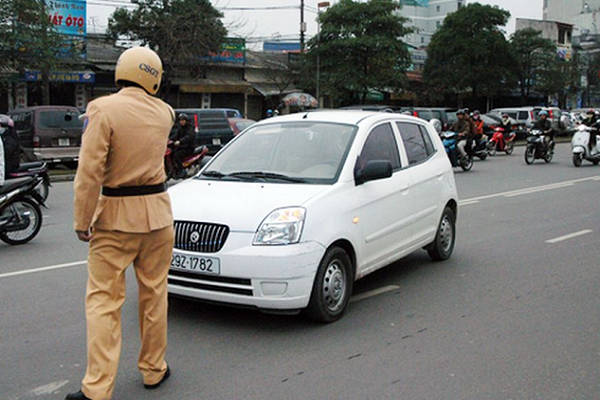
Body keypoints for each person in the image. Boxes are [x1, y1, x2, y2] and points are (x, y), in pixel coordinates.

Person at [67, 47, 175, 400]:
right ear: (153, 77)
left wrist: (83, 220)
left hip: (115, 217)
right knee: (155, 296)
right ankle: (154, 369)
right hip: (158, 217)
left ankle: (98, 388)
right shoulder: (166, 113)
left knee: (103, 302)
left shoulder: (102, 109)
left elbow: (89, 171)